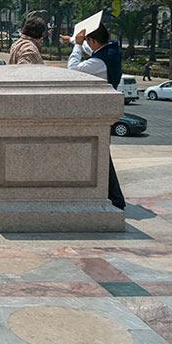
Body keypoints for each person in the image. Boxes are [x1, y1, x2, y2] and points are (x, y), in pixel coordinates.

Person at [62, 22, 126, 210]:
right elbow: (94, 51)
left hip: (98, 111)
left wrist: (76, 45)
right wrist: (74, 40)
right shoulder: (112, 50)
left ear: (92, 40)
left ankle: (115, 198)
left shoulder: (99, 62)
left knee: (101, 155)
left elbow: (73, 69)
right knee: (101, 153)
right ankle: (112, 196)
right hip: (106, 110)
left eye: (87, 41)